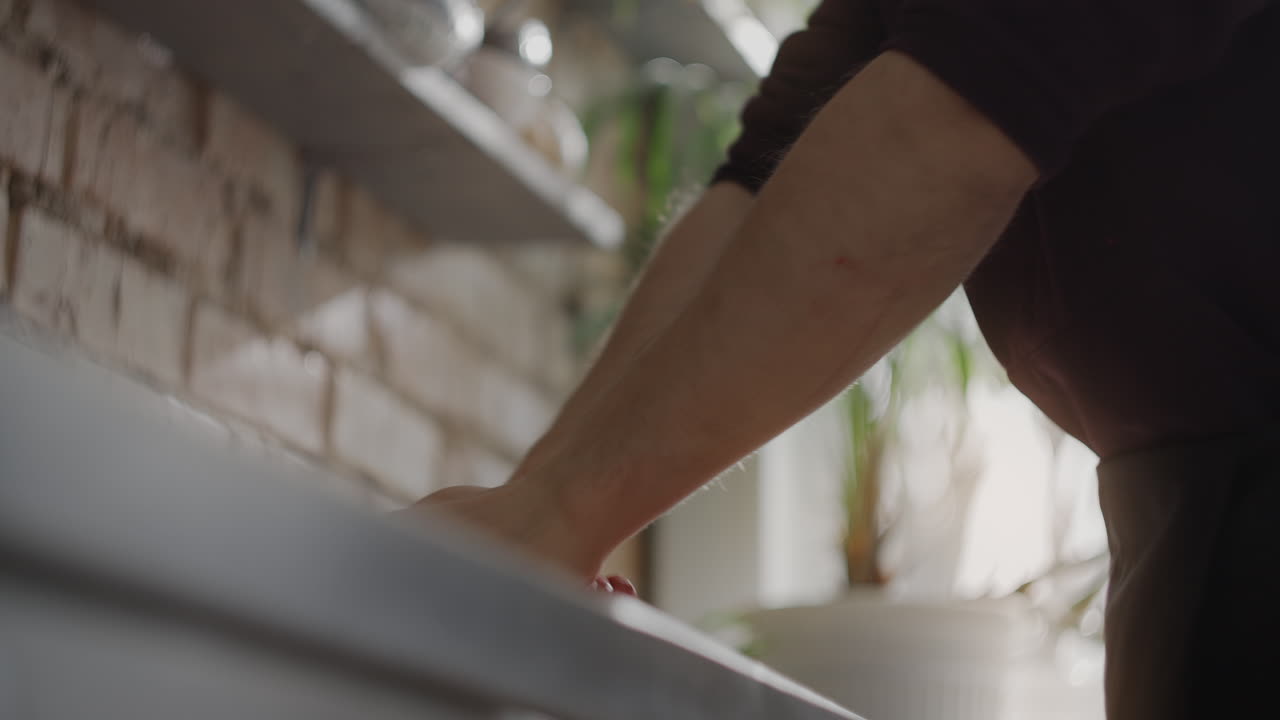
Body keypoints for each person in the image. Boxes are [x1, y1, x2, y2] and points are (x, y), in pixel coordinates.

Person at [413, 1, 1280, 717]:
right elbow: (755, 186)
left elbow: (955, 121)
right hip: (1188, 510)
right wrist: (540, 518)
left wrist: (559, 514)